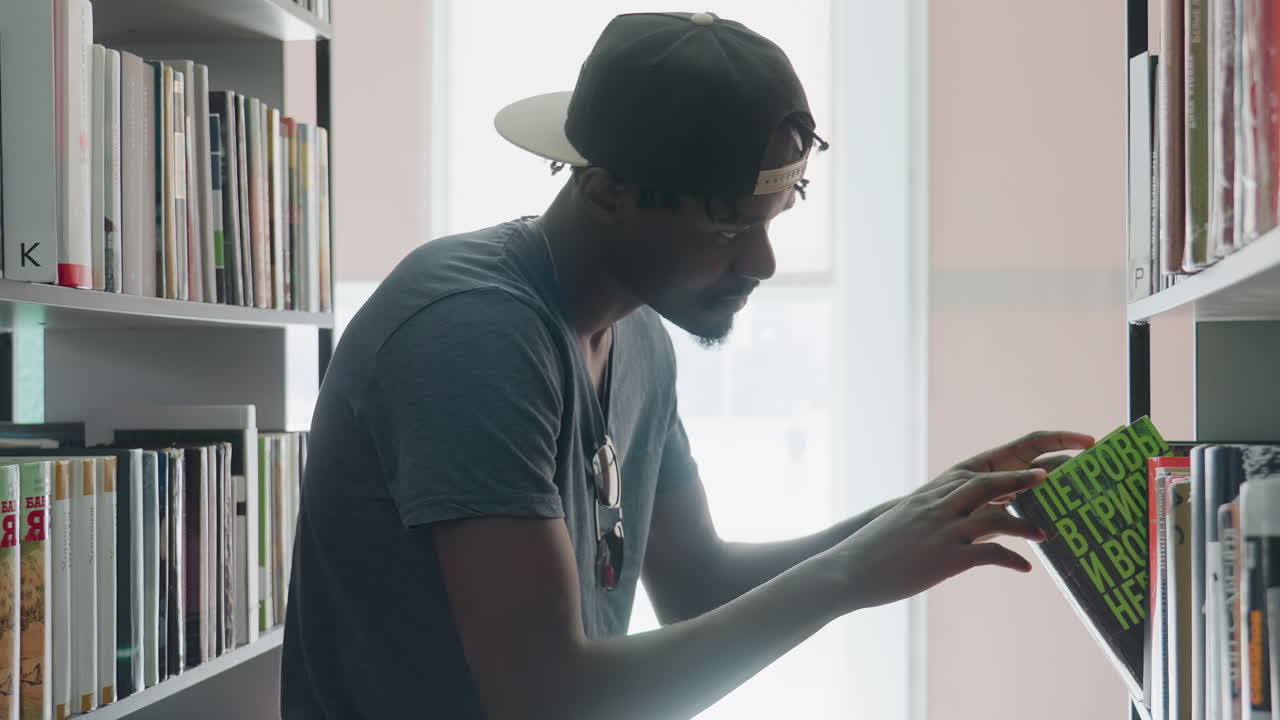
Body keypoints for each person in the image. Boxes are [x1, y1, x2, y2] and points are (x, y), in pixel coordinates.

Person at [281, 11, 1093, 719]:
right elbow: (547, 701)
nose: (765, 262)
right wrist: (852, 575)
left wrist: (933, 506)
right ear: (606, 194)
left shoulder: (639, 338)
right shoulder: (470, 335)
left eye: (774, 219)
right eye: (730, 228)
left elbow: (697, 584)